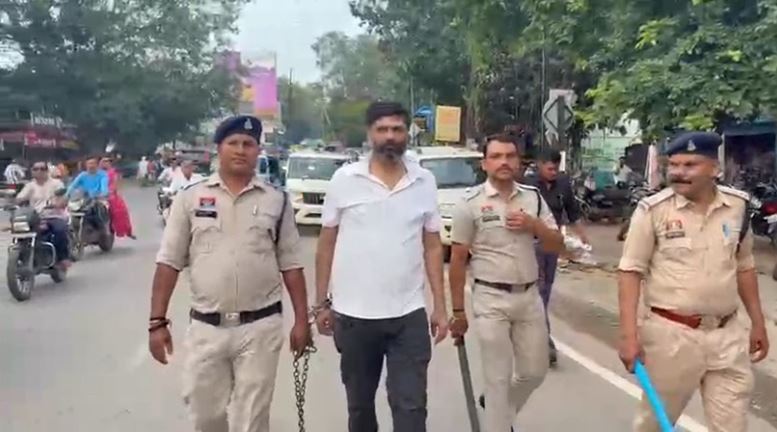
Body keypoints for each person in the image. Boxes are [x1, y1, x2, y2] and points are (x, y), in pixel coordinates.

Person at [149, 115, 311, 432]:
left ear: (257, 150)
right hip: (207, 328)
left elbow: (291, 265)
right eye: (232, 143)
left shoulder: (276, 200)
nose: (240, 150)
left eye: (248, 144)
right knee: (205, 416)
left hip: (261, 327)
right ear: (218, 149)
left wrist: (302, 321)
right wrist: (157, 322)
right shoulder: (190, 199)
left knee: (252, 421)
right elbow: (168, 262)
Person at [618, 131, 769, 432]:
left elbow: (744, 266)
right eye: (673, 165)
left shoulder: (737, 208)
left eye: (690, 165)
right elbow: (630, 272)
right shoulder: (653, 211)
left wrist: (758, 322)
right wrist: (629, 335)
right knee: (654, 425)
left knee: (732, 426)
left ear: (714, 169)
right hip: (671, 337)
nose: (678, 173)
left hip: (727, 335)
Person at [314, 101, 448, 432]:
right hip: (354, 317)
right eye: (382, 129)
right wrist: (320, 303)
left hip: (408, 315)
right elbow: (326, 243)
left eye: (397, 129)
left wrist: (440, 307)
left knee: (412, 408)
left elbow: (433, 245)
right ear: (370, 133)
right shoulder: (344, 179)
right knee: (360, 409)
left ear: (406, 134)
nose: (390, 136)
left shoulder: (424, 181)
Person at [448, 133, 563, 432]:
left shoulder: (533, 198)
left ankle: (498, 411)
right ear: (484, 163)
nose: (504, 162)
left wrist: (534, 225)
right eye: (496, 156)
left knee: (535, 371)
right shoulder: (469, 203)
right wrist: (458, 312)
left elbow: (555, 244)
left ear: (519, 162)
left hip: (529, 296)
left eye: (510, 156)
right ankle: (498, 420)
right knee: (498, 379)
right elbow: (457, 259)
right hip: (490, 298)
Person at [524, 147, 588, 366]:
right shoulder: (528, 186)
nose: (553, 172)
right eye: (549, 168)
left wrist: (582, 237)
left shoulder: (563, 184)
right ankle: (544, 341)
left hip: (553, 245)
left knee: (545, 291)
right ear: (539, 165)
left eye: (556, 168)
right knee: (538, 291)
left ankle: (533, 335)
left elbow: (573, 212)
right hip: (531, 245)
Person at [16, 161, 71, 269]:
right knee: (20, 232)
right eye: (36, 169)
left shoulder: (56, 183)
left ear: (47, 171)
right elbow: (20, 198)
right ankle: (22, 256)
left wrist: (58, 204)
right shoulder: (30, 185)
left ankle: (63, 258)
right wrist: (15, 202)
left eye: (42, 169)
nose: (39, 171)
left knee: (59, 230)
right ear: (32, 171)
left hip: (54, 215)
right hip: (35, 217)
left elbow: (64, 198)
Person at [100, 156, 135, 239]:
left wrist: (109, 192)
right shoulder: (98, 173)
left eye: (107, 162)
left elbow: (115, 184)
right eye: (104, 162)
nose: (105, 164)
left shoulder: (113, 173)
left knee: (121, 212)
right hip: (97, 195)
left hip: (110, 196)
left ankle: (127, 231)